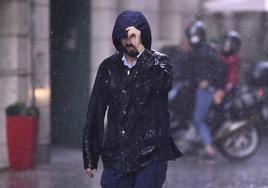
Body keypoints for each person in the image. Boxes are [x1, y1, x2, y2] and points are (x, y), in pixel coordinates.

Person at [82, 10, 182, 188]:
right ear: (118, 38)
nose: (129, 41)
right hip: (117, 152)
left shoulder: (161, 62)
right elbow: (96, 110)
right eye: (124, 36)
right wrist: (90, 154)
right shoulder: (108, 68)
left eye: (134, 36)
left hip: (151, 152)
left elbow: (163, 83)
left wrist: (142, 51)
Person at [186, 20, 226, 158]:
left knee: (198, 119)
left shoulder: (205, 51)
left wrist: (208, 81)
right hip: (199, 89)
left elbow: (218, 68)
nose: (193, 37)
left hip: (205, 90)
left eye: (195, 34)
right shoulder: (198, 51)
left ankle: (209, 148)